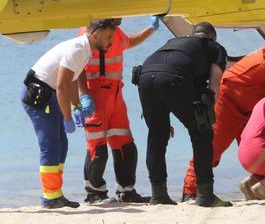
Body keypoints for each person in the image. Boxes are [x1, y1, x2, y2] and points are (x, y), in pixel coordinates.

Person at [180, 30, 265, 200]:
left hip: (247, 107)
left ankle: (263, 187)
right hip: (227, 104)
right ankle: (190, 191)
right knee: (212, 148)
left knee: (259, 148)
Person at [21, 19, 117, 209]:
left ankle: (56, 194)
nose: (111, 41)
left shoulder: (86, 49)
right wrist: (67, 118)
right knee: (50, 144)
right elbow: (62, 85)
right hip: (38, 95)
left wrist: (76, 106)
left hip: (49, 94)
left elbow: (71, 80)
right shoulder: (78, 48)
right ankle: (50, 198)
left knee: (61, 144)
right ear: (96, 34)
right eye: (109, 37)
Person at [136, 22, 231, 207]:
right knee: (202, 134)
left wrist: (157, 113)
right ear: (212, 37)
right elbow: (216, 78)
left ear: (194, 34)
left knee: (157, 135)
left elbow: (158, 69)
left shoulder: (173, 41)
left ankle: (158, 195)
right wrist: (209, 109)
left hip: (145, 80)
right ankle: (205, 195)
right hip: (175, 80)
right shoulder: (215, 47)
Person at [79, 16, 160, 204]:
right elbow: (77, 68)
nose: (122, 17)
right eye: (118, 14)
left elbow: (130, 42)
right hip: (95, 96)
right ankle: (94, 193)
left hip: (115, 95)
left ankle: (126, 191)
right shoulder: (88, 34)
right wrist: (83, 96)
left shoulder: (114, 31)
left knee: (126, 146)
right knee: (97, 148)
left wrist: (151, 28)